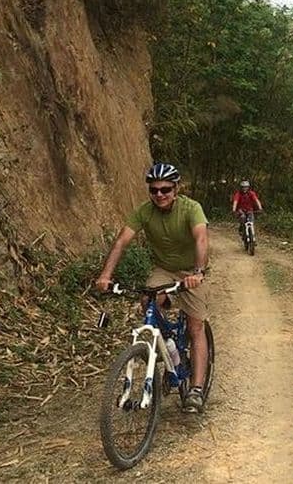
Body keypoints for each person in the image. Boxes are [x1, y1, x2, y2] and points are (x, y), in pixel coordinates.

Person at [96, 163, 210, 413]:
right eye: (154, 190)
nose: (160, 195)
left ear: (176, 189)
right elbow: (121, 241)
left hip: (191, 271)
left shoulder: (191, 208)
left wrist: (198, 272)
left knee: (195, 326)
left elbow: (201, 238)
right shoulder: (145, 212)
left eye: (166, 189)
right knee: (149, 303)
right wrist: (106, 275)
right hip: (163, 269)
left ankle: (197, 389)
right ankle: (168, 349)